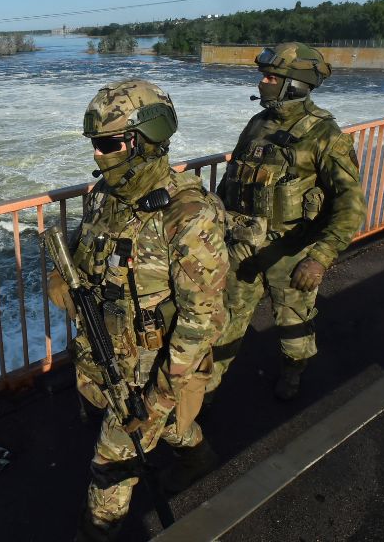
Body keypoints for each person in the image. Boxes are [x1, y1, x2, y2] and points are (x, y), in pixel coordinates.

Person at [47, 79, 228, 541]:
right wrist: (60, 276)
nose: (97, 156)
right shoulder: (106, 196)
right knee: (162, 431)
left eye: (108, 144)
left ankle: (97, 533)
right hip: (108, 352)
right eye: (95, 144)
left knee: (110, 466)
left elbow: (202, 318)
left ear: (145, 141)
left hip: (153, 374)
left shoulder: (187, 215)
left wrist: (158, 399)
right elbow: (86, 249)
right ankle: (196, 455)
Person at [213, 42, 366, 401]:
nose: (263, 83)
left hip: (291, 253)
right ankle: (206, 389)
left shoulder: (326, 136)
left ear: (294, 85)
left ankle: (293, 373)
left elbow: (351, 204)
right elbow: (232, 179)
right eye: (264, 76)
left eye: (271, 77)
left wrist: (320, 257)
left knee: (293, 324)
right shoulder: (258, 124)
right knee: (225, 321)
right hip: (243, 248)